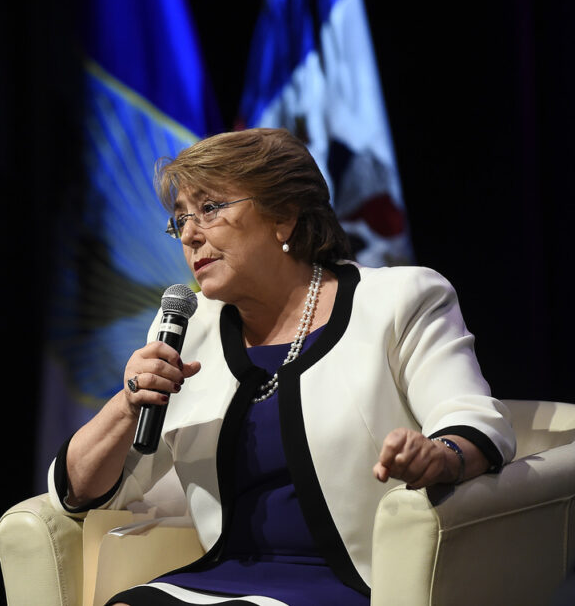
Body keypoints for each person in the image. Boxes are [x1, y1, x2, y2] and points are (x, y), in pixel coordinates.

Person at [47, 128, 516, 606]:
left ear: (284, 217)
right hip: (223, 576)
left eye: (209, 208)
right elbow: (82, 492)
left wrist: (438, 458)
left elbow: (476, 421)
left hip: (360, 581)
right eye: (180, 218)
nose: (189, 234)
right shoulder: (189, 330)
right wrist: (128, 405)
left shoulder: (399, 301)